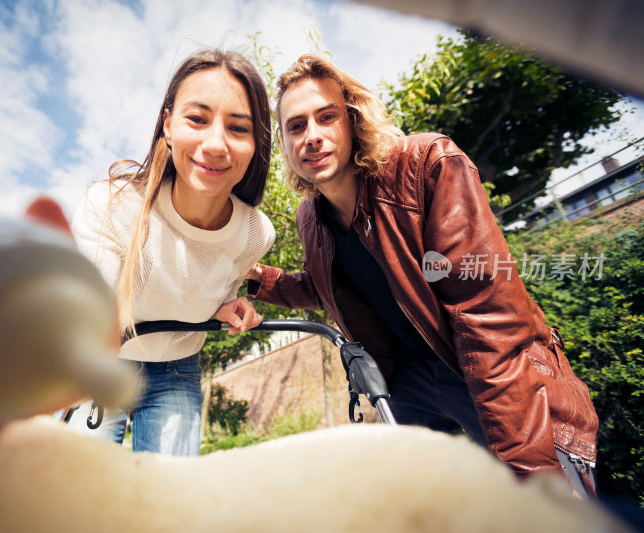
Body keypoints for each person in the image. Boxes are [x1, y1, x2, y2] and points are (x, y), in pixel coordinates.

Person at [245, 54, 599, 497]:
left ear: (352, 120)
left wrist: (529, 471)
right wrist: (254, 278)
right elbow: (326, 286)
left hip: (483, 372)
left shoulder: (426, 164)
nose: (312, 137)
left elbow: (490, 318)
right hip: (407, 381)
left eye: (326, 117)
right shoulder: (310, 218)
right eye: (296, 126)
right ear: (285, 142)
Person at [68, 49, 275, 456]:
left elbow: (210, 287)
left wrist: (225, 306)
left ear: (256, 144)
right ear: (167, 124)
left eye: (238, 128)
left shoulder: (255, 233)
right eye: (197, 119)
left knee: (167, 506)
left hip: (177, 372)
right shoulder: (112, 205)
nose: (215, 144)